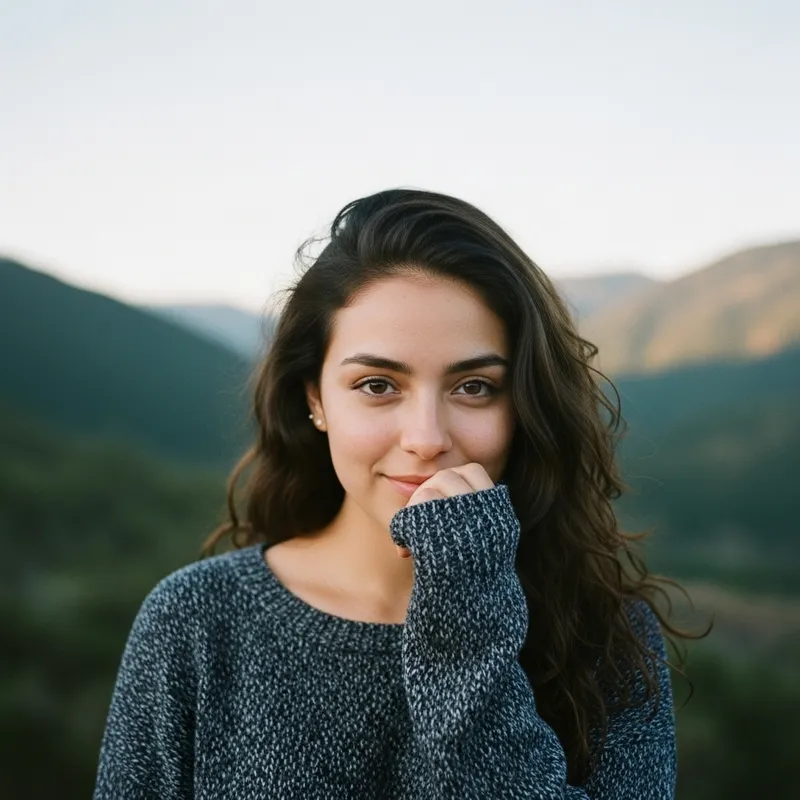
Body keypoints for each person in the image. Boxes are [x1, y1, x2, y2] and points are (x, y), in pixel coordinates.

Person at [93, 188, 703, 799]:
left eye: (474, 387)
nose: (427, 438)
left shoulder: (606, 637)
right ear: (315, 399)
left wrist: (468, 618)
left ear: (522, 405)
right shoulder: (198, 620)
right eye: (378, 384)